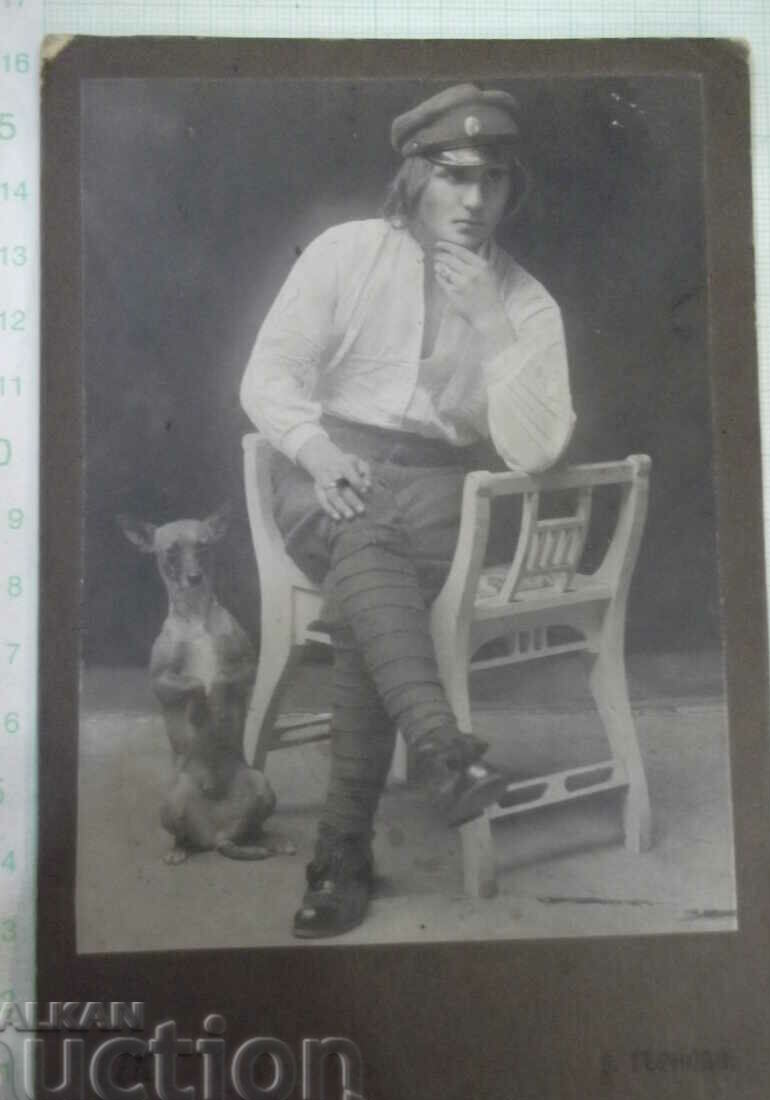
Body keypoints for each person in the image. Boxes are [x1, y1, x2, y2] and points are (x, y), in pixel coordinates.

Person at [241, 83, 575, 937]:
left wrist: (493, 329)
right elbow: (268, 378)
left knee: (368, 594)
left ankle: (345, 853)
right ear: (413, 178)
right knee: (364, 545)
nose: (472, 201)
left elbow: (535, 449)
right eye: (453, 175)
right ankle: (434, 751)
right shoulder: (347, 253)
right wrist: (316, 453)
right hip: (324, 471)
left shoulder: (526, 303)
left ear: (513, 189)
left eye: (493, 180)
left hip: (437, 492)